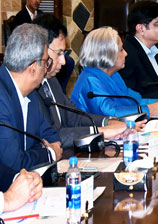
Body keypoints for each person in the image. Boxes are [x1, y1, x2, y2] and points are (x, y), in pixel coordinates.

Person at [32, 15, 126, 148]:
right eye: (58, 53)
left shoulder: (51, 81)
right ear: (41, 50)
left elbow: (74, 117)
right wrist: (101, 131)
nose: (64, 61)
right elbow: (52, 136)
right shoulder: (31, 89)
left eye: (63, 54)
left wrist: (108, 122)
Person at [0, 24, 62, 177]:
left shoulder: (31, 92)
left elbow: (52, 136)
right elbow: (14, 164)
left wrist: (38, 150)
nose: (47, 67)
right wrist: (49, 153)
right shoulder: (1, 98)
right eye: (46, 62)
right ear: (33, 68)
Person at [71, 27, 158, 118]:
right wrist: (149, 109)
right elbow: (110, 113)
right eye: (121, 50)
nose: (126, 53)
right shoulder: (90, 80)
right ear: (108, 54)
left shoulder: (113, 74)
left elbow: (132, 100)